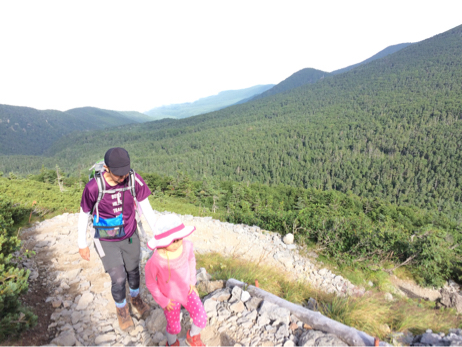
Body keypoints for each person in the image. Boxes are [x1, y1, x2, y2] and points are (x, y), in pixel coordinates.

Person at [77, 147, 159, 331]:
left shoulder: (133, 179)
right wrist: (82, 244)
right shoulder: (93, 187)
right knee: (119, 277)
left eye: (125, 173)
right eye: (118, 175)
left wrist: (159, 234)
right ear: (106, 168)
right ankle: (122, 308)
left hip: (129, 235)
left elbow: (146, 207)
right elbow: (83, 214)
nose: (123, 178)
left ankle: (136, 297)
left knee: (134, 271)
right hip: (105, 239)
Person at [145, 214, 207, 347]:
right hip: (170, 299)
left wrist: (192, 281)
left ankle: (193, 336)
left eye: (179, 239)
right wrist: (163, 300)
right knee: (174, 327)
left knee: (201, 317)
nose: (177, 244)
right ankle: (172, 343)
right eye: (172, 241)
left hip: (187, 291)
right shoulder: (156, 260)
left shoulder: (187, 246)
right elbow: (150, 282)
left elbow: (191, 260)